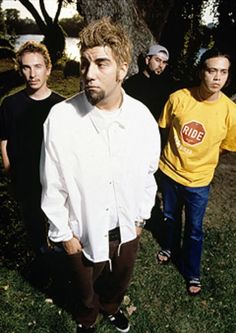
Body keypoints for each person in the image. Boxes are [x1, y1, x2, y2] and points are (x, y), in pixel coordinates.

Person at [40, 17, 160, 333]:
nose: (89, 74)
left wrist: (139, 219)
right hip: (81, 229)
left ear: (122, 69)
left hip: (125, 227)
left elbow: (149, 172)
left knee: (118, 280)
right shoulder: (62, 118)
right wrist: (64, 235)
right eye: (85, 63)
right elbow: (52, 183)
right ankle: (87, 318)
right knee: (83, 287)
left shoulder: (142, 118)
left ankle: (110, 309)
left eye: (101, 64)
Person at [156, 47, 236, 296]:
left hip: (199, 181)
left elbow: (225, 148)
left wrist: (202, 160)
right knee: (169, 216)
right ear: (202, 72)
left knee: (194, 228)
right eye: (212, 70)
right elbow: (164, 130)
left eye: (223, 72)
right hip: (169, 172)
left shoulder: (230, 111)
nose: (217, 77)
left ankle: (192, 271)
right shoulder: (178, 98)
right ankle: (168, 247)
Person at [0, 41, 64, 265]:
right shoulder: (10, 104)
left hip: (53, 175)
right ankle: (41, 253)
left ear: (48, 69)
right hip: (24, 175)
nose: (32, 74)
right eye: (26, 67)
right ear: (20, 70)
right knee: (32, 217)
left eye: (37, 67)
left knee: (56, 217)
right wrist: (9, 168)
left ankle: (59, 251)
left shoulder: (61, 107)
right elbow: (4, 139)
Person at [123, 43, 175, 120]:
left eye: (164, 62)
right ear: (147, 60)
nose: (161, 65)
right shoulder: (132, 83)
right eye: (157, 60)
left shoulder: (163, 90)